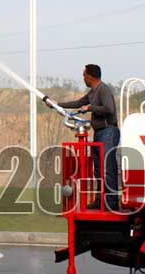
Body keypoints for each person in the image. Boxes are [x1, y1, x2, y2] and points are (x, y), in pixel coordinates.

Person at [44, 64, 120, 210]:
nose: (83, 78)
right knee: (98, 169)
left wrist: (90, 108)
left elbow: (109, 109)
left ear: (90, 77)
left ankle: (111, 202)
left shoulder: (103, 90)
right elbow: (79, 103)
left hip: (108, 132)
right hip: (99, 132)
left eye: (84, 75)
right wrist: (56, 105)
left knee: (107, 168)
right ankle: (100, 200)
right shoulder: (93, 92)